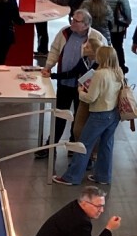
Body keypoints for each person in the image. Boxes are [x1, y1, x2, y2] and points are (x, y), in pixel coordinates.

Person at [55, 47, 125, 186]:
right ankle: (103, 176)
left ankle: (72, 177)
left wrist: (80, 91)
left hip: (99, 114)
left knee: (83, 145)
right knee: (106, 145)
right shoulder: (118, 72)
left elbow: (91, 98)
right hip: (114, 114)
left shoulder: (99, 74)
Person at [46, 10, 108, 149]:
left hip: (85, 89)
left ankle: (74, 146)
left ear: (86, 25)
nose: (71, 22)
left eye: (76, 21)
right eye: (72, 19)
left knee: (80, 119)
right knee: (60, 114)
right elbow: (55, 50)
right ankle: (51, 145)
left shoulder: (97, 38)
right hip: (64, 84)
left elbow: (105, 60)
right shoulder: (64, 33)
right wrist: (49, 67)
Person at [103, 0, 133, 71]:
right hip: (117, 26)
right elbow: (126, 8)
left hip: (104, 23)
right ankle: (121, 67)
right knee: (118, 46)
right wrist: (128, 20)